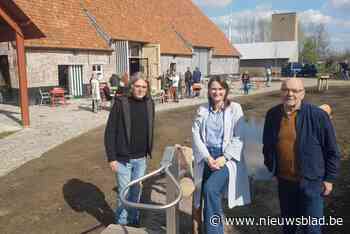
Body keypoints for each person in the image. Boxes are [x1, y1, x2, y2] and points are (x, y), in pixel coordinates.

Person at [263, 78, 340, 234]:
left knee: (311, 229)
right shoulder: (272, 115)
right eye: (286, 89)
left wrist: (329, 179)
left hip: (311, 182)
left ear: (303, 94)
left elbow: (332, 150)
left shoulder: (318, 116)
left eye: (295, 90)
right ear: (281, 92)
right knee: (289, 227)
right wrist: (272, 166)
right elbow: (267, 145)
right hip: (285, 183)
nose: (290, 94)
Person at [192, 76, 251, 234]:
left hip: (226, 157)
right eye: (213, 89)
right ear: (209, 91)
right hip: (206, 156)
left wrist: (224, 158)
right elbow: (196, 134)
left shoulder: (235, 108)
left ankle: (214, 231)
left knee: (211, 190)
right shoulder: (202, 109)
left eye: (220, 89)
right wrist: (207, 157)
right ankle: (208, 228)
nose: (217, 92)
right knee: (204, 194)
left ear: (225, 91)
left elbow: (240, 136)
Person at [104, 72, 155, 226]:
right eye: (138, 86)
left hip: (141, 158)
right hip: (122, 159)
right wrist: (111, 157)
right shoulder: (121, 103)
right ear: (131, 86)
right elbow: (110, 131)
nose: (141, 89)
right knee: (124, 194)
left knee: (136, 191)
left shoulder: (150, 103)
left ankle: (133, 221)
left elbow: (150, 127)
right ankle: (122, 224)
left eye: (144, 87)